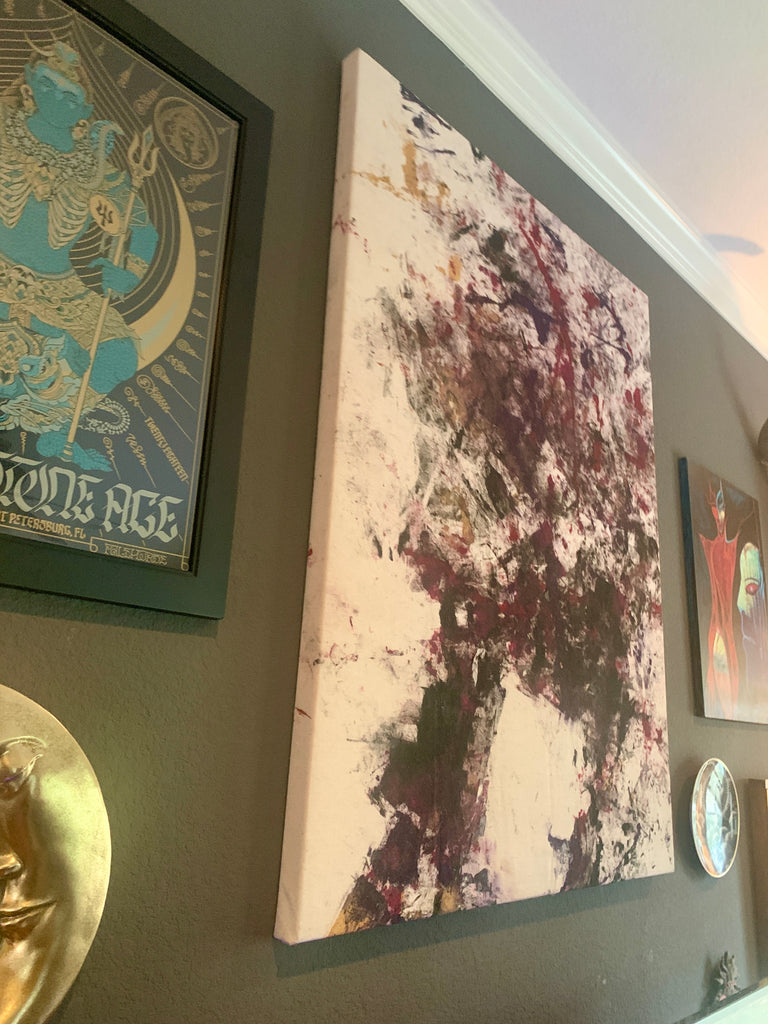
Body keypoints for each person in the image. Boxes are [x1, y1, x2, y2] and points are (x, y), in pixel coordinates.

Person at [0, 39, 158, 469]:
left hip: (60, 289)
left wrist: (130, 273)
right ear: (29, 84)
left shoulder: (97, 167)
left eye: (70, 96)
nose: (57, 100)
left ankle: (56, 430)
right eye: (48, 85)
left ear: (84, 109)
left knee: (119, 353)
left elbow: (144, 230)